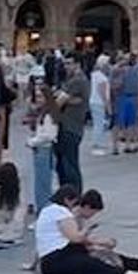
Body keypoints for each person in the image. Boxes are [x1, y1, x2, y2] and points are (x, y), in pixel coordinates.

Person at [36, 186, 138, 274]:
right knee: (92, 266)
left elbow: (43, 241)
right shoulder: (61, 212)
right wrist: (88, 231)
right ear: (66, 200)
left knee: (95, 260)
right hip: (58, 259)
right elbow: (76, 238)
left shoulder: (48, 211)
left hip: (57, 258)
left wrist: (35, 263)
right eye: (73, 202)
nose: (73, 206)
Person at [53, 57, 88, 194]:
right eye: (65, 63)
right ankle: (68, 193)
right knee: (63, 163)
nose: (66, 67)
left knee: (69, 165)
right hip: (68, 125)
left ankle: (73, 194)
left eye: (69, 63)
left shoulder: (77, 80)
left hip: (70, 127)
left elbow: (58, 102)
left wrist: (63, 98)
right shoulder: (72, 80)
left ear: (77, 64)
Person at [25, 85, 59, 213]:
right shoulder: (45, 112)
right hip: (42, 150)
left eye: (40, 96)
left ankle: (43, 211)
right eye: (37, 96)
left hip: (44, 150)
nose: (38, 99)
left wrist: (32, 142)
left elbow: (49, 135)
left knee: (42, 186)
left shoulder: (49, 115)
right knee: (41, 184)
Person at [89, 55, 111, 155]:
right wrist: (107, 105)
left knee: (97, 123)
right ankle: (97, 143)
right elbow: (102, 92)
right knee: (99, 123)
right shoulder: (102, 77)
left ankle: (97, 141)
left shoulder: (94, 74)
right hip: (99, 102)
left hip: (93, 101)